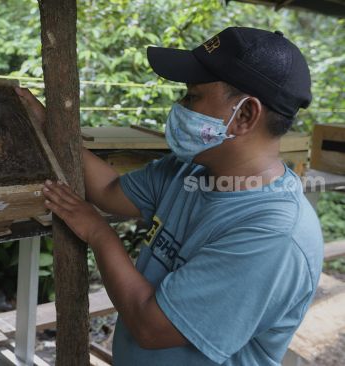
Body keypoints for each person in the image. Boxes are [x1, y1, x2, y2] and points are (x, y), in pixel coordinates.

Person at [17, 26, 323, 365]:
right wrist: (46, 123)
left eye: (192, 97)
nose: (179, 107)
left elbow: (152, 327)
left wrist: (98, 232)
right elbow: (108, 191)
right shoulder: (189, 172)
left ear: (245, 115)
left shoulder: (274, 235)